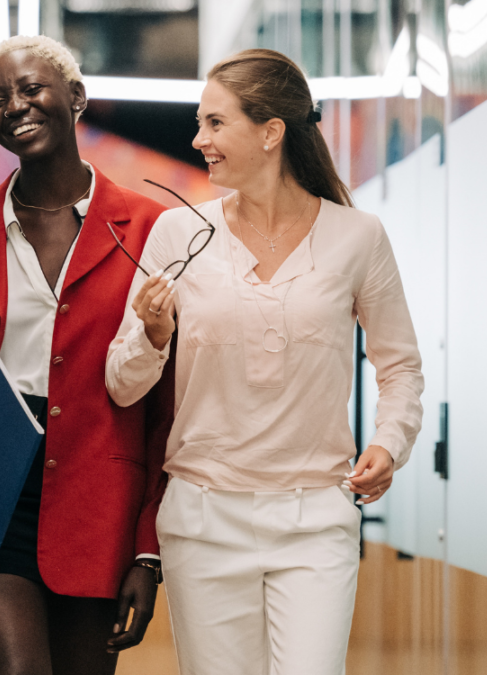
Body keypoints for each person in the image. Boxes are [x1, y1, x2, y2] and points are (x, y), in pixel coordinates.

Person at [105, 49, 424, 674]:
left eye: (215, 123)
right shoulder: (176, 233)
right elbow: (122, 385)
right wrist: (152, 331)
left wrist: (390, 442)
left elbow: (400, 367)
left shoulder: (358, 236)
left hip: (316, 522)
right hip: (202, 522)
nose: (199, 140)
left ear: (271, 132)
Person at [0, 35, 174, 675]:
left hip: (99, 505)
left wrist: (147, 551)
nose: (14, 106)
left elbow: (167, 408)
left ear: (75, 97)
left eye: (30, 89)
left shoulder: (154, 231)